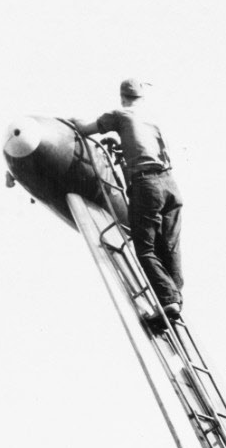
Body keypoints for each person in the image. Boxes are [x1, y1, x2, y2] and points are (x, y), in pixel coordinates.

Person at [70, 80, 184, 321]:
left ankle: (168, 300)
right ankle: (175, 298)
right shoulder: (152, 120)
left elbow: (84, 128)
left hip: (147, 185)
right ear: (141, 98)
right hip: (170, 185)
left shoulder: (119, 114)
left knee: (145, 249)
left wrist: (68, 122)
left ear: (122, 97)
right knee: (169, 247)